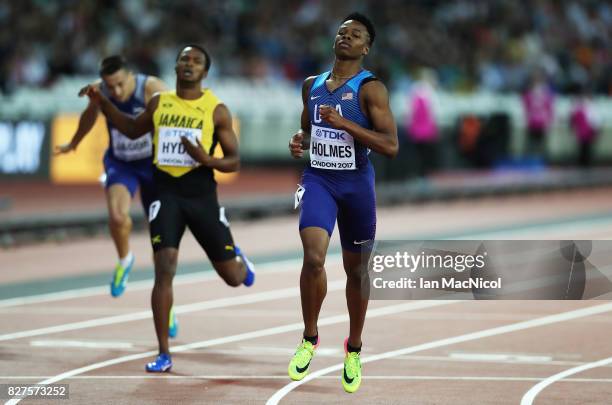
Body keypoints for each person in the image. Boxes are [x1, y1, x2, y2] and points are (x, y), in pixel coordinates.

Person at [82, 44, 255, 373]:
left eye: (196, 61)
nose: (189, 64)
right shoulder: (160, 103)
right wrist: (102, 102)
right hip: (166, 194)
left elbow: (234, 161)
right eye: (184, 59)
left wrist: (208, 160)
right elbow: (133, 129)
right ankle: (164, 352)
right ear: (175, 67)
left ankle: (242, 265)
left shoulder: (216, 109)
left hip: (202, 196)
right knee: (164, 270)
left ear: (204, 72)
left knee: (232, 277)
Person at [287, 13, 398, 393]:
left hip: (356, 186)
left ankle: (353, 347)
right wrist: (300, 139)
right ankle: (309, 337)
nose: (346, 37)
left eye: (355, 35)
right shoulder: (311, 85)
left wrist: (345, 124)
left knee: (357, 272)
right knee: (314, 257)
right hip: (319, 179)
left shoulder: (371, 90)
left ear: (366, 47)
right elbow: (308, 126)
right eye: (342, 31)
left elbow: (391, 146)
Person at [55, 56, 167, 299]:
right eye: (110, 86)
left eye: (120, 84)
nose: (115, 91)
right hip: (121, 163)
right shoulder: (101, 89)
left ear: (130, 76)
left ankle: (165, 295)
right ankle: (125, 260)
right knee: (117, 217)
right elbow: (90, 115)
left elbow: (175, 118)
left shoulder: (152, 87)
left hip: (153, 165)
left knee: (160, 235)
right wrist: (73, 143)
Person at [569, 87, 601, 168]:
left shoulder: (591, 106)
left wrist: (595, 130)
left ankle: (586, 164)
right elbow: (573, 118)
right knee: (582, 148)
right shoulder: (578, 106)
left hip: (588, 131)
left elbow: (595, 120)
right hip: (581, 131)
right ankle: (583, 164)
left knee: (587, 148)